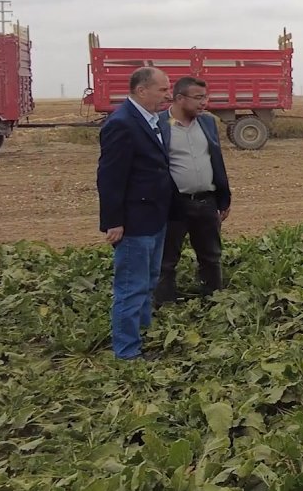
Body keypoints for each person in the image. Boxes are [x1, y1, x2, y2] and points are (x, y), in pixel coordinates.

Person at [96, 66, 172, 360]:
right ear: (142, 91)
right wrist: (113, 221)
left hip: (155, 217)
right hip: (134, 223)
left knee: (149, 280)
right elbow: (110, 176)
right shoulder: (122, 124)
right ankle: (127, 353)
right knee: (131, 287)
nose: (168, 95)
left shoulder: (154, 120)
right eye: (163, 90)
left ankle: (143, 334)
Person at [156, 76, 231, 304]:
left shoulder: (207, 123)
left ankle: (213, 301)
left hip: (206, 202)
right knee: (166, 259)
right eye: (198, 98)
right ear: (179, 98)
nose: (204, 102)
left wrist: (223, 199)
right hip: (173, 204)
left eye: (205, 97)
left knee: (211, 256)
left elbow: (216, 160)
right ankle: (165, 304)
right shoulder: (160, 125)